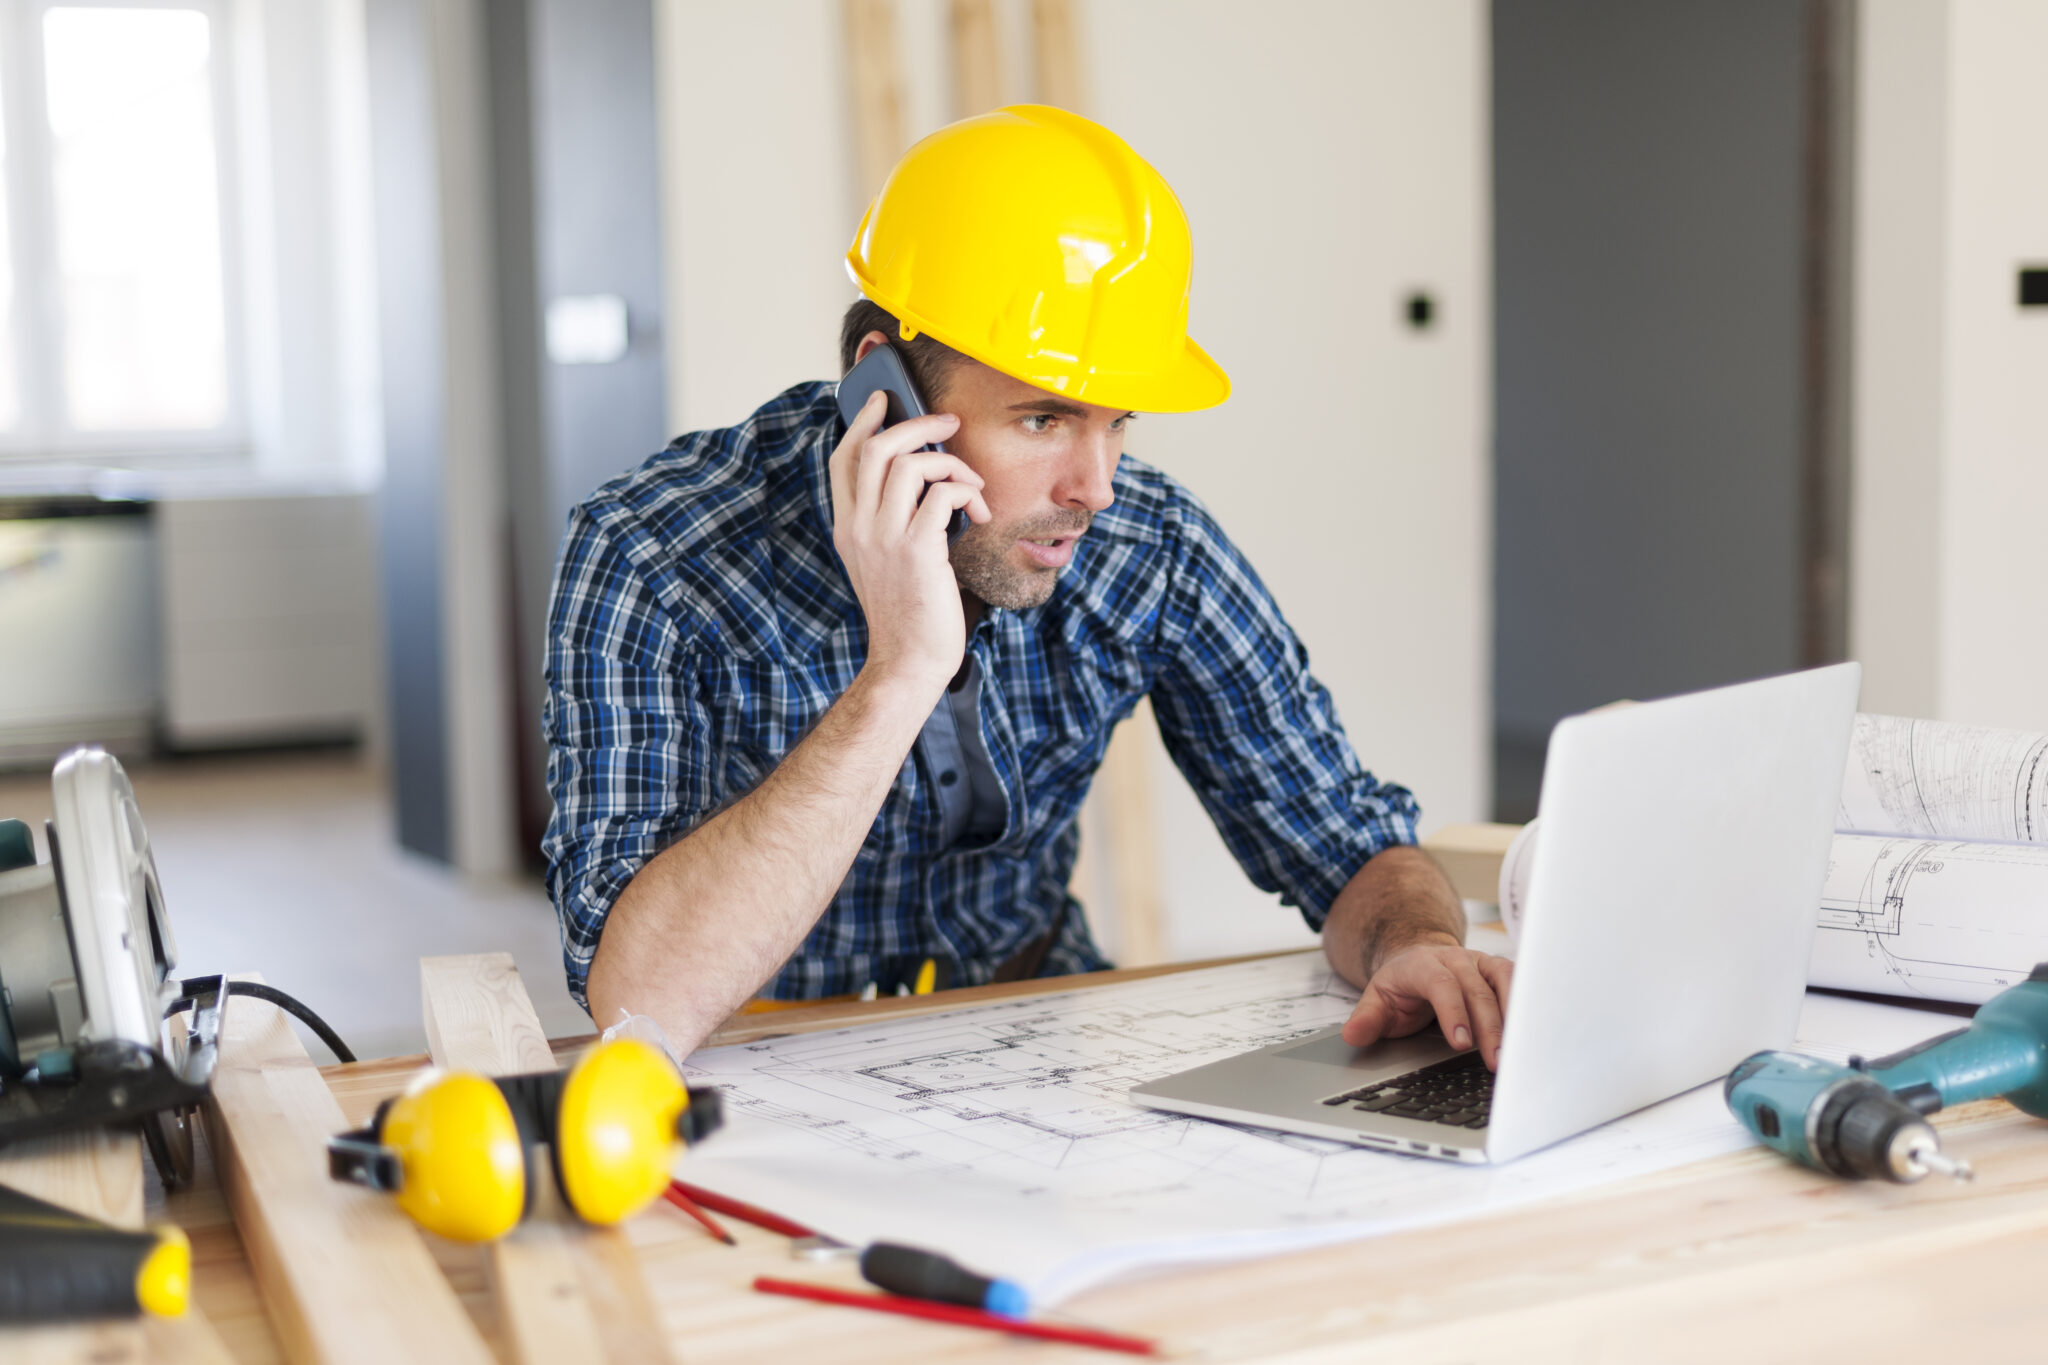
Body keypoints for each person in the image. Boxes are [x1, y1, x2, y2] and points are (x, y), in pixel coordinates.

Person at [542, 105, 1511, 1058]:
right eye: (1043, 420)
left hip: (1037, 1030)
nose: (1094, 488)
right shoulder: (653, 555)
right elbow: (641, 1002)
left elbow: (1342, 839)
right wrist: (900, 672)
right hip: (760, 1051)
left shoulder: (1147, 542)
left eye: (1117, 421)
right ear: (883, 395)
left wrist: (1415, 945)